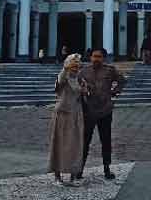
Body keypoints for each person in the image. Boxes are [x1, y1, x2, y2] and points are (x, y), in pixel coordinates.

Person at [78, 48, 127, 180]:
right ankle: (79, 169)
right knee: (85, 141)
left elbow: (122, 80)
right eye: (94, 56)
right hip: (89, 111)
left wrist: (114, 91)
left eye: (99, 57)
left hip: (105, 110)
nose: (96, 59)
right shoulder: (83, 71)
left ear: (103, 58)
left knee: (106, 140)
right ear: (90, 57)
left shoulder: (110, 70)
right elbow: (77, 86)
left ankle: (107, 168)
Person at [48, 53, 86, 187]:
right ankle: (57, 176)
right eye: (73, 64)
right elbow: (60, 80)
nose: (75, 67)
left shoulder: (80, 79)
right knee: (58, 144)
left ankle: (73, 176)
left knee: (76, 144)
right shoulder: (63, 76)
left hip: (75, 114)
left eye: (77, 64)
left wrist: (85, 91)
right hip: (62, 114)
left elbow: (84, 94)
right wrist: (65, 67)